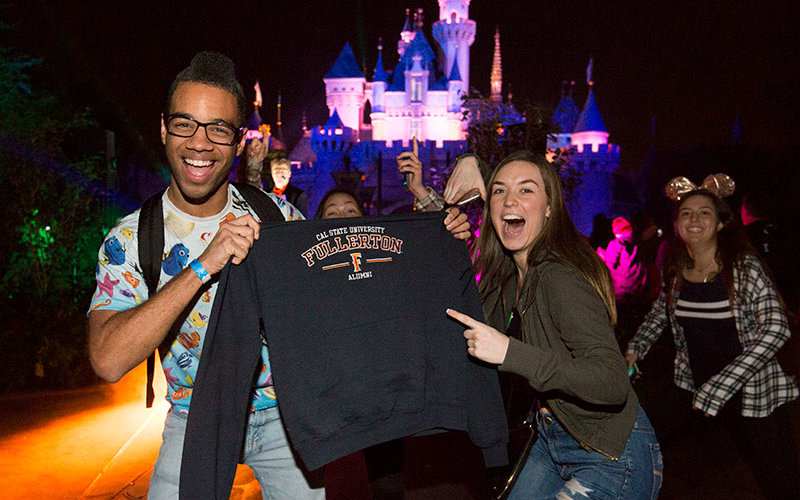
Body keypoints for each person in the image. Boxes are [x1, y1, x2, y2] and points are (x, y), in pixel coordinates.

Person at [86, 52, 322, 499]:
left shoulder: (279, 217)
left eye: (218, 129)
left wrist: (434, 221)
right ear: (163, 128)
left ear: (237, 142)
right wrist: (202, 266)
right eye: (185, 124)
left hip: (284, 417)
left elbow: (340, 301)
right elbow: (107, 360)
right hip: (194, 415)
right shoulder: (132, 239)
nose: (200, 142)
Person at [446, 150, 662, 499]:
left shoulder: (557, 276)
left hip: (611, 456)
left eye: (527, 190)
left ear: (550, 209)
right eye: (499, 191)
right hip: (552, 439)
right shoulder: (512, 277)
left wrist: (510, 352)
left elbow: (612, 381)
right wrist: (473, 164)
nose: (509, 200)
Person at [626, 174, 799, 499]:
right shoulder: (676, 268)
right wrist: (636, 347)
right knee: (638, 433)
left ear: (720, 223)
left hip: (752, 388)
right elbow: (661, 312)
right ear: (677, 224)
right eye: (686, 213)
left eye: (704, 212)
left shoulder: (743, 268)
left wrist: (721, 384)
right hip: (690, 379)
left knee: (783, 482)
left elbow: (777, 328)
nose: (694, 219)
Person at [314, 186, 471, 499]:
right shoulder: (309, 269)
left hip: (377, 381)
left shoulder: (385, 257)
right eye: (332, 212)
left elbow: (426, 246)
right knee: (321, 477)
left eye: (350, 210)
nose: (342, 217)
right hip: (331, 380)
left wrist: (429, 202)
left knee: (385, 476)